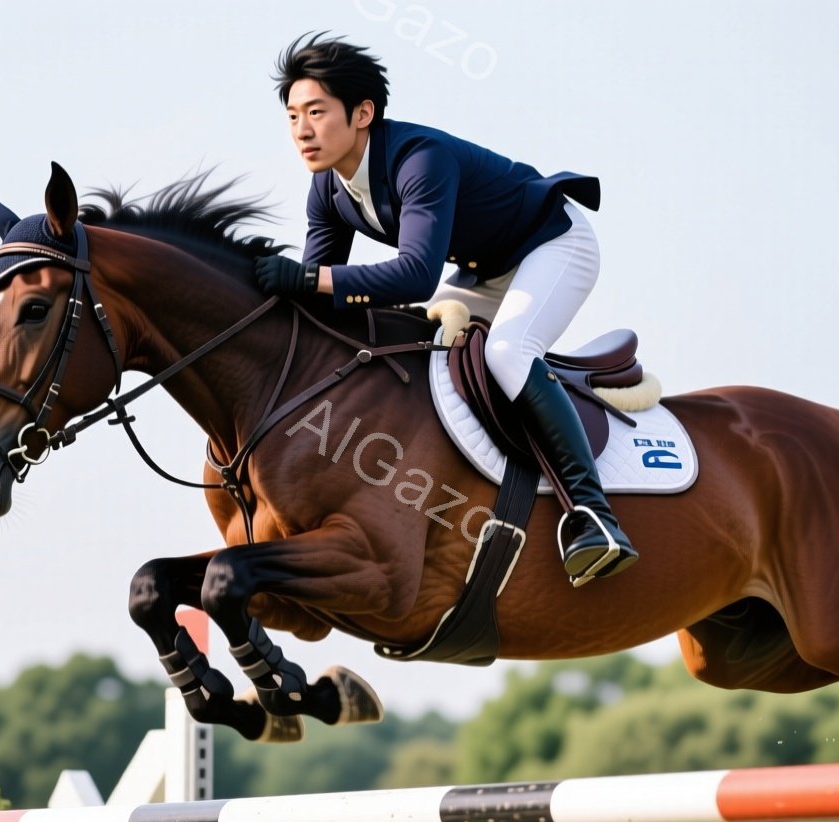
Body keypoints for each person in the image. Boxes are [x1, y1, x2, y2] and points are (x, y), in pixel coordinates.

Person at [253, 34, 636, 583]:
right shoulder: (328, 190)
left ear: (363, 113)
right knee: (416, 343)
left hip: (553, 243)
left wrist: (310, 279)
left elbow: (414, 274)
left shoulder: (418, 160)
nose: (303, 131)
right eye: (292, 116)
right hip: (486, 269)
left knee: (506, 350)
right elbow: (319, 299)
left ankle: (594, 516)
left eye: (316, 112)